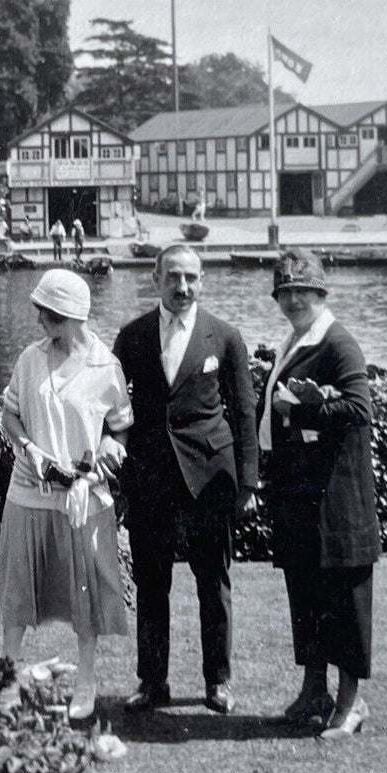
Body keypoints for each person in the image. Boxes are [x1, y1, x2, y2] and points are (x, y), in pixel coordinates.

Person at [113, 244, 258, 714]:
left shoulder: (226, 337)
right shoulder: (132, 336)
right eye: (173, 277)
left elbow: (243, 412)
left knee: (212, 581)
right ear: (154, 279)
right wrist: (112, 463)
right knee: (152, 584)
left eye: (192, 278)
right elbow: (112, 407)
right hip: (151, 477)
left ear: (203, 281)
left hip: (209, 479)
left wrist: (249, 483)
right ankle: (153, 681)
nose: (183, 287)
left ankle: (218, 682)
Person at [0, 269, 131, 724]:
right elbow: (10, 414)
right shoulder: (30, 358)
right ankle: (7, 680)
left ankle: (86, 681)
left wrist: (93, 471)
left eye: (50, 316)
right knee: (18, 590)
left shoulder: (106, 367)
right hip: (28, 492)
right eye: (40, 313)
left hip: (82, 496)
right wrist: (28, 448)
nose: (41, 323)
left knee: (84, 592)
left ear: (75, 317)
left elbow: (119, 430)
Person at [258, 248, 380, 739]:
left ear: (320, 293)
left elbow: (359, 410)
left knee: (345, 601)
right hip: (303, 498)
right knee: (306, 596)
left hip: (337, 501)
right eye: (285, 292)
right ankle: (315, 692)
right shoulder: (298, 339)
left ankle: (351, 703)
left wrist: (299, 412)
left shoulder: (338, 343)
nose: (292, 300)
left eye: (301, 292)